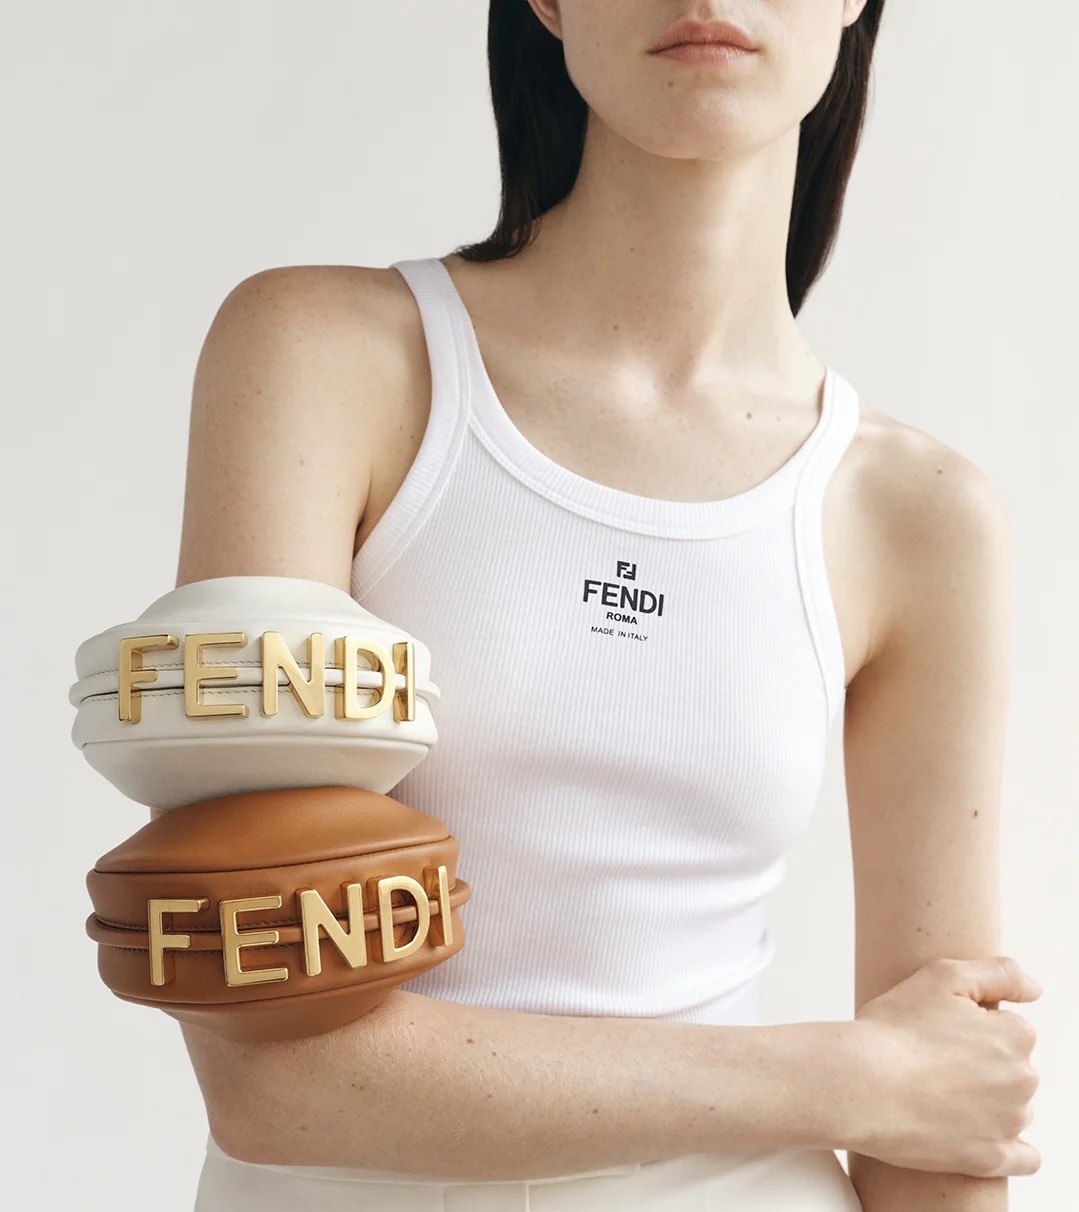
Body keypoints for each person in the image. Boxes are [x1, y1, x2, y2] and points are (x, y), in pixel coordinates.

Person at [166, 2, 1042, 1209]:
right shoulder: (325, 359)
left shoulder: (917, 512)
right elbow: (274, 1077)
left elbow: (943, 1111)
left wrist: (886, 1088)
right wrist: (840, 1078)